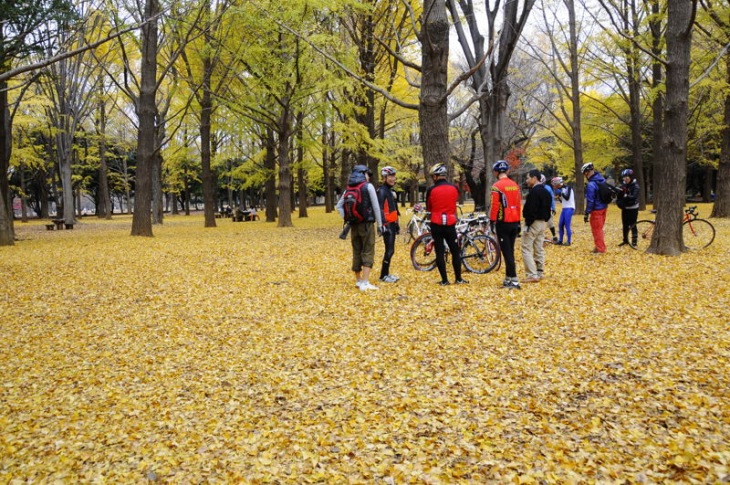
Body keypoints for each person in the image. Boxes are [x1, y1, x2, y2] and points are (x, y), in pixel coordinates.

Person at [336, 165, 384, 291]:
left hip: (353, 225)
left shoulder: (348, 189)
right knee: (368, 250)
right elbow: (376, 207)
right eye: (368, 174)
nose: (368, 177)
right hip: (367, 224)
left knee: (356, 251)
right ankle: (365, 282)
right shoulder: (368, 186)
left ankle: (358, 281)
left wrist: (348, 218)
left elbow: (339, 206)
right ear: (363, 174)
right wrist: (380, 225)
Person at [425, 163, 468, 286]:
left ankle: (444, 280)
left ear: (435, 176)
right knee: (455, 251)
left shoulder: (431, 190)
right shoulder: (454, 188)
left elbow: (429, 207)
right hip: (450, 223)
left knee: (439, 252)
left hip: (436, 223)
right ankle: (458, 278)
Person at [489, 160, 522, 289]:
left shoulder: (497, 186)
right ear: (507, 171)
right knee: (510, 250)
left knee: (507, 252)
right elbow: (519, 204)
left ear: (496, 172)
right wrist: (519, 221)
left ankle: (514, 280)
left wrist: (492, 221)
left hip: (503, 223)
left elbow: (495, 206)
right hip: (514, 222)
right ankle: (508, 278)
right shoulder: (515, 185)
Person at [521, 169, 552, 282]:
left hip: (533, 223)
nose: (527, 180)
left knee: (526, 248)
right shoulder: (546, 192)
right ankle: (539, 272)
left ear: (535, 178)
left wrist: (528, 223)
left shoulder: (534, 192)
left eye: (528, 178)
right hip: (543, 222)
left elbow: (531, 209)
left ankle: (531, 274)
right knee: (538, 248)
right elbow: (549, 208)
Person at [377, 166, 400, 282]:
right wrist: (383, 225)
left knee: (391, 250)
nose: (393, 179)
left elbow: (393, 208)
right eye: (390, 176)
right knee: (389, 250)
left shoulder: (390, 191)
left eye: (393, 176)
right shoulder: (382, 191)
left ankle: (386, 273)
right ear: (384, 178)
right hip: (387, 225)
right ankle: (383, 275)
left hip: (392, 224)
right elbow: (380, 209)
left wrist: (397, 224)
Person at [582, 162, 609, 253]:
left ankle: (600, 249)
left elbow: (590, 201)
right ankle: (598, 247)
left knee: (597, 230)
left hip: (596, 210)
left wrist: (587, 213)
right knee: (599, 229)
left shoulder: (591, 185)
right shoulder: (601, 179)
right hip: (604, 208)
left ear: (586, 173)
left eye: (584, 173)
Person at [617, 168, 640, 247]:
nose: (625, 179)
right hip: (625, 207)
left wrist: (626, 196)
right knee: (625, 224)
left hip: (633, 208)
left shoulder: (635, 186)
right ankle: (625, 240)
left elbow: (634, 196)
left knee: (633, 224)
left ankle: (634, 241)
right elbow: (620, 195)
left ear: (631, 177)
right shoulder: (624, 185)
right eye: (624, 177)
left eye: (626, 177)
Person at [551, 176, 575, 246]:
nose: (554, 186)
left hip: (569, 208)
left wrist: (561, 192)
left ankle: (569, 241)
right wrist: (559, 197)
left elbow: (567, 198)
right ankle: (560, 240)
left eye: (554, 185)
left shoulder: (568, 188)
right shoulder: (561, 190)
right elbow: (562, 200)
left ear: (558, 183)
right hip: (564, 208)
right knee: (560, 224)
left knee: (567, 225)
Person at [541, 174, 558, 243]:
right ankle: (542, 236)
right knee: (540, 223)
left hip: (548, 208)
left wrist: (553, 208)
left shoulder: (547, 188)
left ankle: (554, 235)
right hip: (540, 209)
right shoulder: (535, 188)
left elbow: (552, 198)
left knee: (550, 223)